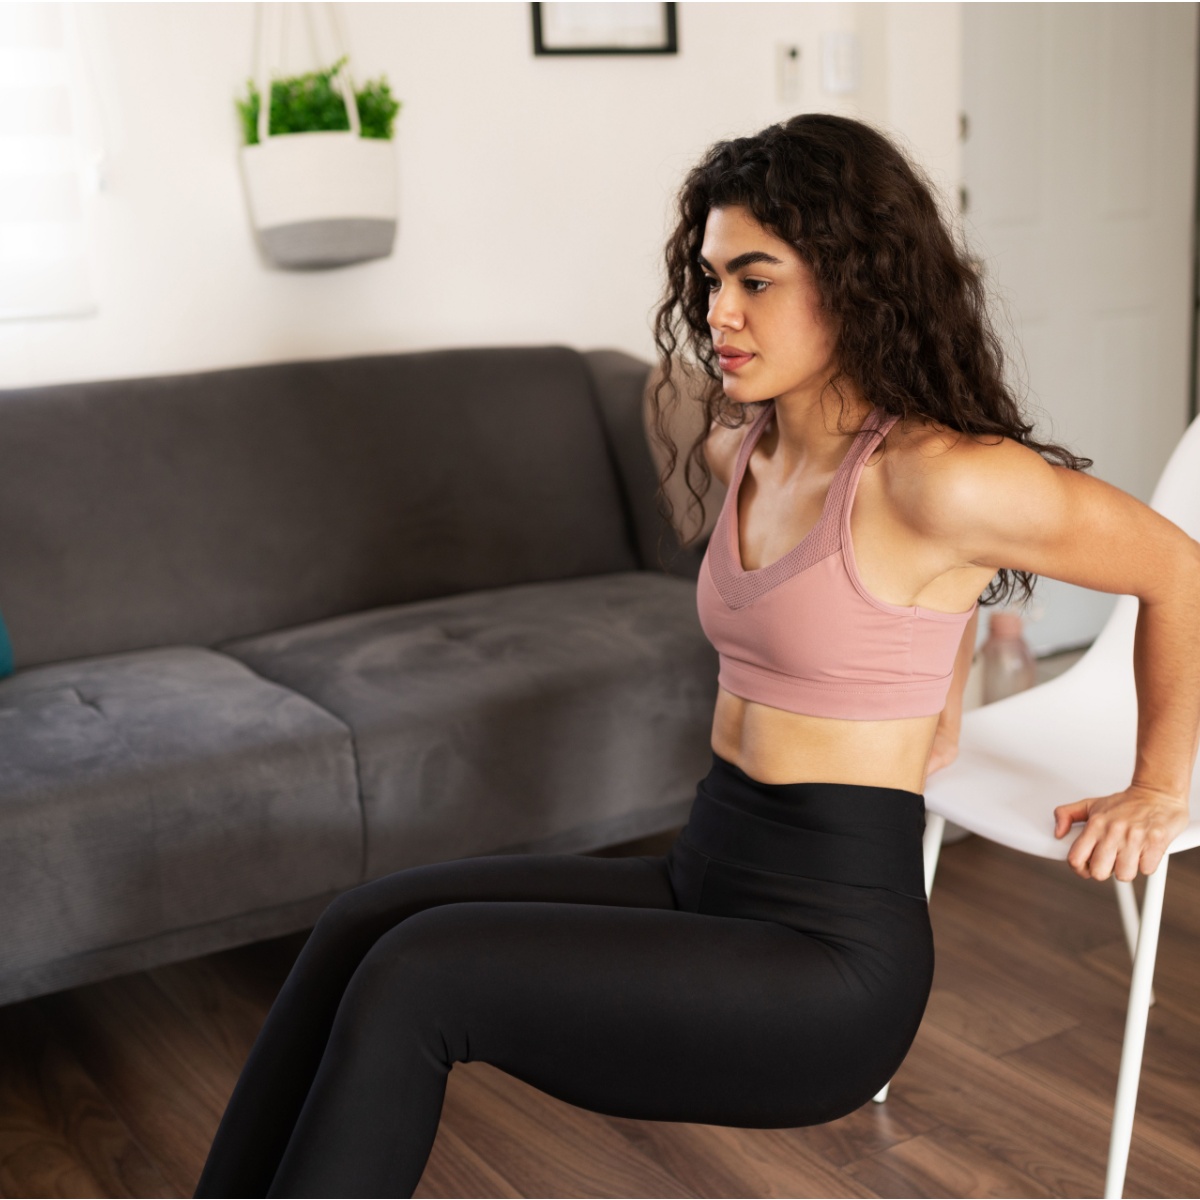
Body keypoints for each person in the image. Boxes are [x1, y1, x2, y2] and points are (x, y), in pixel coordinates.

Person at [194, 113, 1197, 1199]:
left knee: (417, 981)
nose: (720, 311)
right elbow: (907, 606)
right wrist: (937, 693)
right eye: (712, 276)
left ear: (854, 278)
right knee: (360, 923)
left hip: (827, 962)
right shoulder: (743, 445)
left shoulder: (941, 477)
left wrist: (1155, 784)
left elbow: (1178, 569)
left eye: (756, 280)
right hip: (707, 872)